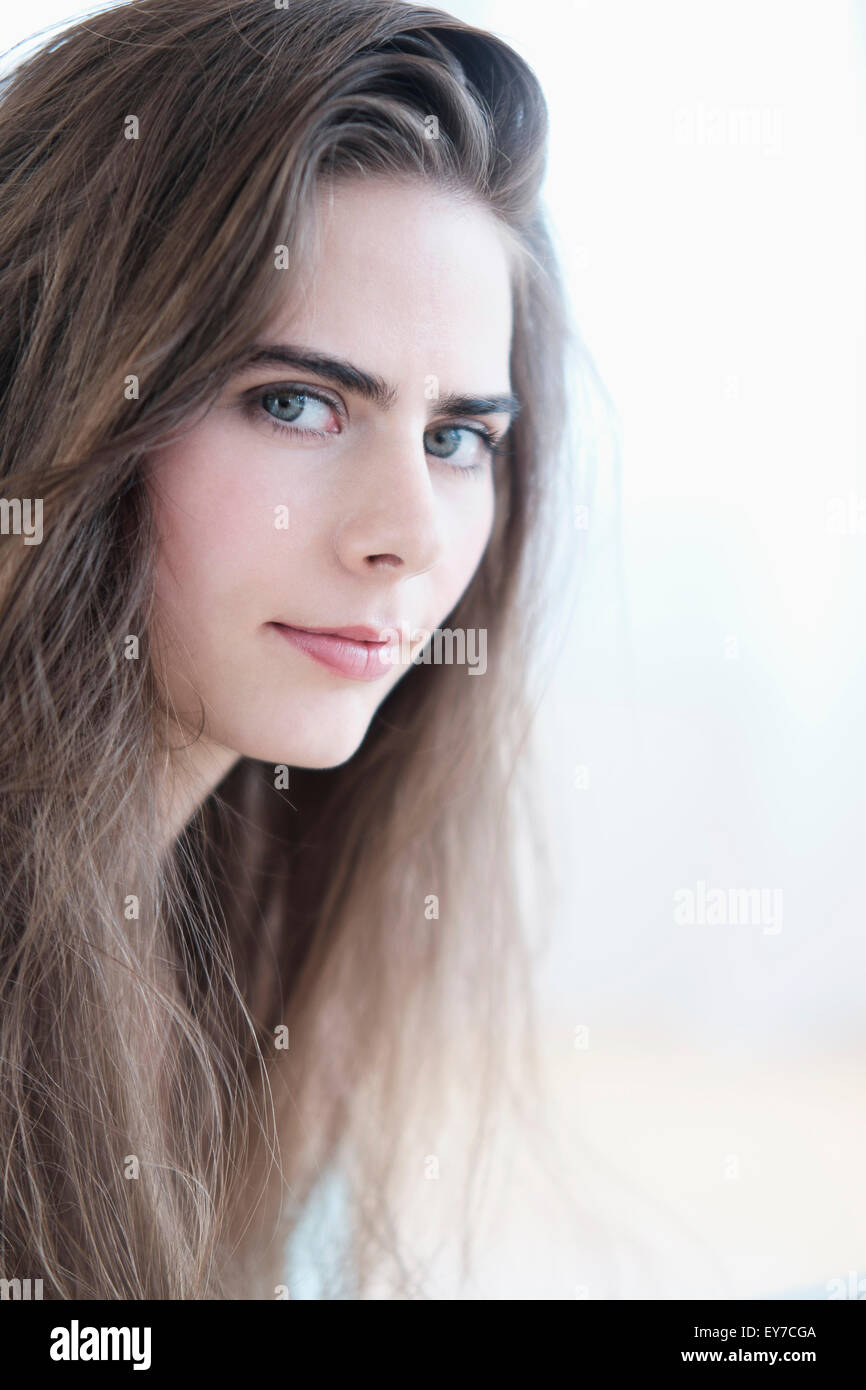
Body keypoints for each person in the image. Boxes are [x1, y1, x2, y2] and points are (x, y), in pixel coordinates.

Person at [0, 0, 572, 1298]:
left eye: (456, 436)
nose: (408, 536)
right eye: (297, 402)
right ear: (48, 385)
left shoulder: (253, 957)